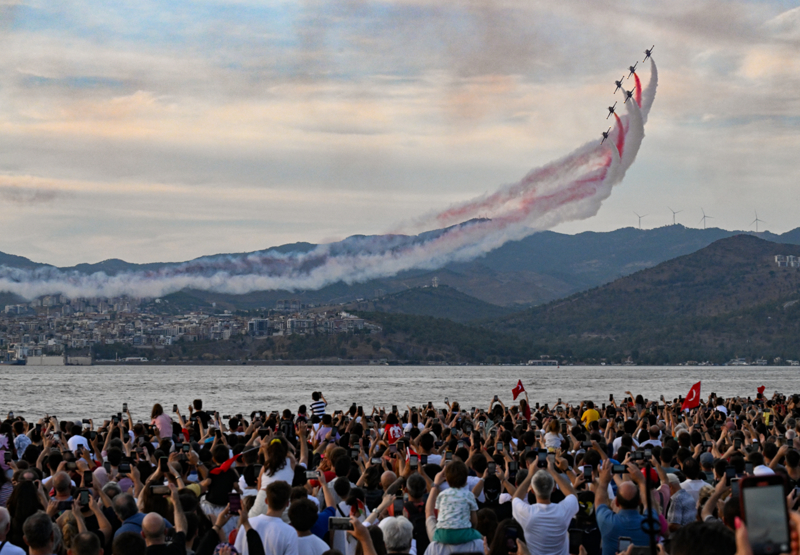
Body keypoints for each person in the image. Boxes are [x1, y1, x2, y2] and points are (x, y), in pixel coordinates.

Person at [512, 458, 578, 555]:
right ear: (553, 489)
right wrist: (553, 471)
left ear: (533, 491)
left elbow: (515, 498)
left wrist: (530, 475)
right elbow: (573, 496)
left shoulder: (527, 513)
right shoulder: (562, 512)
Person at [594, 461, 658, 555]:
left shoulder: (607, 522)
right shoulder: (651, 525)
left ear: (616, 502)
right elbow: (650, 504)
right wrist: (641, 481)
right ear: (639, 501)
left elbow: (599, 501)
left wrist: (603, 481)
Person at [235, 482, 297, 555]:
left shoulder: (247, 523)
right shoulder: (290, 532)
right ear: (287, 504)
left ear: (266, 501)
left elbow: (237, 552)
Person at [432, 461, 481, 544]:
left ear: (446, 479)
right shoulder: (469, 495)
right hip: (463, 533)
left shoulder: (441, 495)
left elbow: (439, 517)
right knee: (482, 539)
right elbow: (474, 520)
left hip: (441, 534)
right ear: (466, 479)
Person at [142, 484, 187, 555]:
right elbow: (181, 528)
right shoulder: (176, 550)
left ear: (143, 534)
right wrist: (176, 502)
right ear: (166, 531)